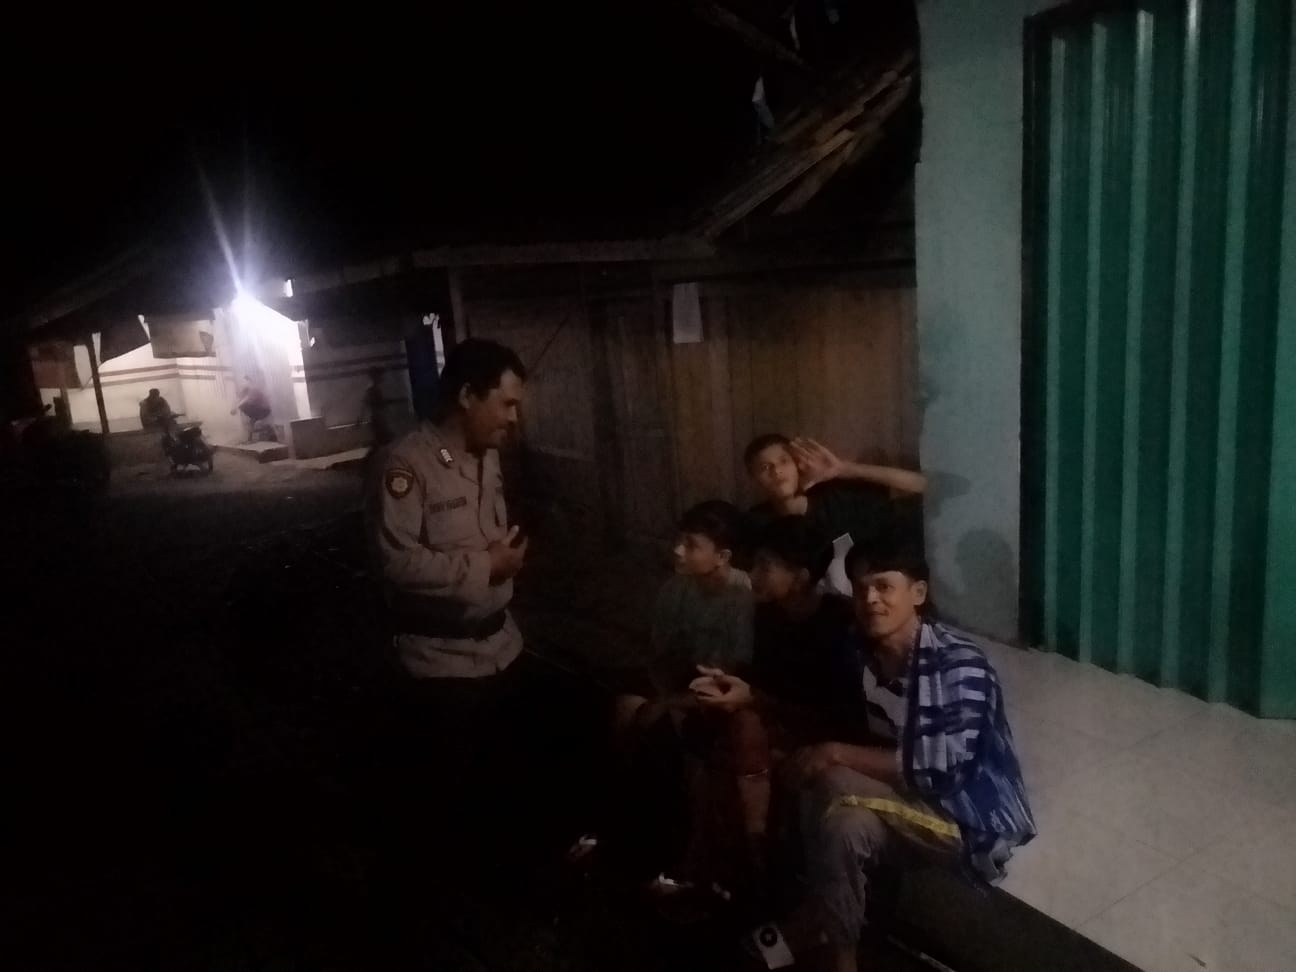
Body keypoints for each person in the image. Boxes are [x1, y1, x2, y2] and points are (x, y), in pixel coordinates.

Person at [692, 536, 1035, 971]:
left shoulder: (960, 665)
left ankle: (809, 922)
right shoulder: (861, 651)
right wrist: (753, 697)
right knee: (845, 826)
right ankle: (843, 957)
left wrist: (836, 753)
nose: (870, 599)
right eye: (860, 588)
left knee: (830, 777)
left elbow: (942, 770)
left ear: (918, 593)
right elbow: (821, 711)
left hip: (963, 816)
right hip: (899, 799)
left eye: (884, 586)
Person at [692, 517, 864, 901]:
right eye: (754, 564)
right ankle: (730, 871)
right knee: (725, 742)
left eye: (765, 566)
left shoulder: (839, 624)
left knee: (745, 730)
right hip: (772, 723)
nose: (753, 575)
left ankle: (753, 864)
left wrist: (753, 699)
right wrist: (729, 683)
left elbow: (836, 713)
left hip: (828, 732)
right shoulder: (768, 615)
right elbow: (763, 682)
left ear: (800, 577)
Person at [602, 500, 753, 895]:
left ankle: (695, 860)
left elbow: (732, 676)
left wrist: (670, 705)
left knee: (690, 746)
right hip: (681, 687)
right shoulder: (677, 588)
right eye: (679, 541)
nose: (678, 551)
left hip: (720, 696)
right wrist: (661, 695)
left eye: (691, 545)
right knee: (626, 711)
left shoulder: (741, 596)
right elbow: (660, 656)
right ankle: (629, 832)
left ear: (722, 557)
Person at [743, 433, 925, 594]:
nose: (777, 471)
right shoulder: (757, 522)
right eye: (765, 467)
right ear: (754, 479)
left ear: (797, 464)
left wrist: (843, 469)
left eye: (784, 461)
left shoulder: (839, 501)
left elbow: (922, 485)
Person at [230, 374, 272, 442]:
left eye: (244, 382)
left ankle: (252, 434)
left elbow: (246, 399)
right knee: (251, 421)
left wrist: (236, 408)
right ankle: (250, 438)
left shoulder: (252, 389)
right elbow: (238, 398)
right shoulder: (245, 390)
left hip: (264, 410)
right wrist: (233, 407)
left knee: (242, 405)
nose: (242, 384)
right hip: (258, 409)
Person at [363, 366, 398, 447]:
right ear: (376, 377)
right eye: (380, 375)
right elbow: (376, 404)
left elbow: (369, 403)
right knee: (384, 440)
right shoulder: (372, 389)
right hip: (377, 418)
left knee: (383, 441)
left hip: (378, 418)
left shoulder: (373, 389)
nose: (382, 378)